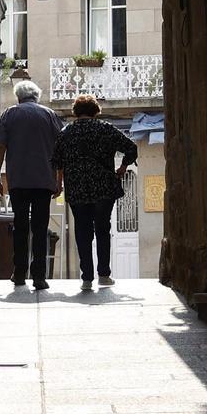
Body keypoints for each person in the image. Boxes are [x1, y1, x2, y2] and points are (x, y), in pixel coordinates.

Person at [51, 93, 138, 291]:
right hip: (103, 188)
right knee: (102, 230)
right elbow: (131, 148)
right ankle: (104, 275)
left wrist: (60, 183)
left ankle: (87, 278)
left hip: (77, 188)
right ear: (95, 111)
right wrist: (123, 168)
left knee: (82, 231)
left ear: (76, 112)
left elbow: (57, 161)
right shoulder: (105, 129)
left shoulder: (66, 133)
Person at [0, 80, 64, 291]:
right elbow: (60, 150)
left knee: (21, 227)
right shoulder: (49, 115)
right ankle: (40, 276)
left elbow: (0, 147)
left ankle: (20, 272)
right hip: (44, 181)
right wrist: (59, 180)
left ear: (18, 97)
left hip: (19, 181)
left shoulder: (9, 114)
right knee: (41, 228)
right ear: (36, 96)